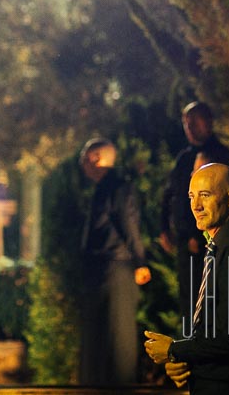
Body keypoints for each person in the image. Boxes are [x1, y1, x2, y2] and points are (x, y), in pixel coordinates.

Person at [144, 163, 229, 394]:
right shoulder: (222, 246)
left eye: (205, 196)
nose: (195, 205)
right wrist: (186, 363)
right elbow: (216, 332)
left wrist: (175, 350)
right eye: (191, 196)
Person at [78, 138, 151, 385]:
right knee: (100, 331)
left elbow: (128, 224)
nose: (82, 165)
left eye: (84, 158)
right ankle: (98, 384)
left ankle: (120, 386)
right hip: (102, 267)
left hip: (116, 266)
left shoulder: (119, 187)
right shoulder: (105, 187)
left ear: (95, 159)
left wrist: (140, 262)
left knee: (118, 334)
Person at [160, 102, 229, 313]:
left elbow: (219, 201)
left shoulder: (222, 155)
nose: (189, 128)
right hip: (183, 241)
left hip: (208, 243)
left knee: (209, 302)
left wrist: (198, 234)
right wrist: (163, 227)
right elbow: (169, 193)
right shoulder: (184, 158)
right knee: (188, 302)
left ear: (208, 122)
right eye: (186, 123)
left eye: (194, 122)